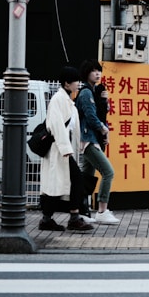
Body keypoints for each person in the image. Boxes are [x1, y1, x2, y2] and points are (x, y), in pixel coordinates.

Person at [38, 66, 94, 231]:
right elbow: (56, 125)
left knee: (58, 186)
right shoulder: (58, 100)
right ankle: (74, 218)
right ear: (67, 83)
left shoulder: (67, 100)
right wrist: (66, 149)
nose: (79, 84)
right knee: (73, 180)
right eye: (76, 81)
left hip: (63, 150)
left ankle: (48, 219)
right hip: (60, 151)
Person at [75, 59, 121, 225]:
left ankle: (81, 211)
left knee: (86, 177)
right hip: (88, 140)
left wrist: (104, 102)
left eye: (99, 70)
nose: (97, 73)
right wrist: (104, 129)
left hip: (90, 139)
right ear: (86, 73)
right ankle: (102, 211)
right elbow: (91, 117)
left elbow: (101, 115)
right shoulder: (86, 92)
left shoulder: (94, 92)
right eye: (94, 70)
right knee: (108, 172)